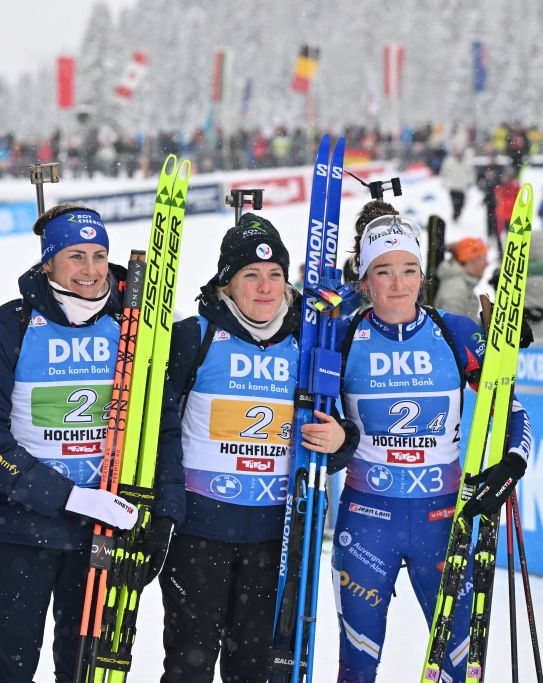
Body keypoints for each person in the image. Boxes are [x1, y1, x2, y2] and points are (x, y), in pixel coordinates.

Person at [0, 204, 156, 683]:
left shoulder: (134, 328)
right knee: (14, 667)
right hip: (20, 528)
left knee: (81, 669)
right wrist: (68, 496)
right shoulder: (5, 327)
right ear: (48, 262)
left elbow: (157, 426)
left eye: (99, 255)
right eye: (75, 256)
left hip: (100, 531)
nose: (91, 270)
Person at [155, 212, 359, 683]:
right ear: (227, 284)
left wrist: (341, 440)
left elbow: (344, 425)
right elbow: (162, 428)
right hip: (199, 533)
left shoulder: (311, 344)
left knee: (256, 671)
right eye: (251, 275)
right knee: (189, 666)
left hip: (277, 538)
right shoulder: (195, 337)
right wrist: (164, 508)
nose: (265, 288)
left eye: (275, 276)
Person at [331, 210, 533, 683]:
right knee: (356, 667)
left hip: (445, 521)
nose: (397, 284)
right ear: (365, 279)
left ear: (423, 276)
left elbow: (511, 411)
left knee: (460, 667)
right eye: (383, 271)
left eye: (408, 270)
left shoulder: (454, 332)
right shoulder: (342, 337)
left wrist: (512, 464)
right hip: (366, 521)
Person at [435, 237, 488, 322]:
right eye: (483, 258)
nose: (487, 263)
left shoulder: (461, 284)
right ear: (472, 260)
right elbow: (450, 330)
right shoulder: (455, 290)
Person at [440, 148, 472, 223]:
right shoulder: (449, 162)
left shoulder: (465, 162)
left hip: (462, 187)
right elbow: (444, 172)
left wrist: (469, 182)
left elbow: (470, 173)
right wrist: (444, 182)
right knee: (455, 204)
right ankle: (455, 217)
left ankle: (457, 216)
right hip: (452, 187)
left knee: (461, 204)